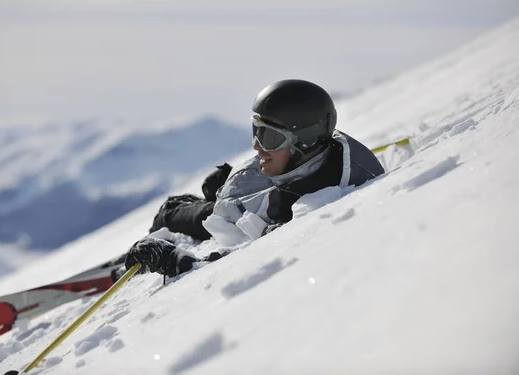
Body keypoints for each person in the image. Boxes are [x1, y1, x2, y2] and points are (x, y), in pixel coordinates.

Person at [123, 79, 385, 279]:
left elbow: (247, 265)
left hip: (239, 218)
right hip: (256, 200)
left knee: (169, 215)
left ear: (305, 142)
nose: (257, 146)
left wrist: (173, 261)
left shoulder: (313, 211)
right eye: (256, 131)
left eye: (269, 137)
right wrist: (232, 181)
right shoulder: (321, 156)